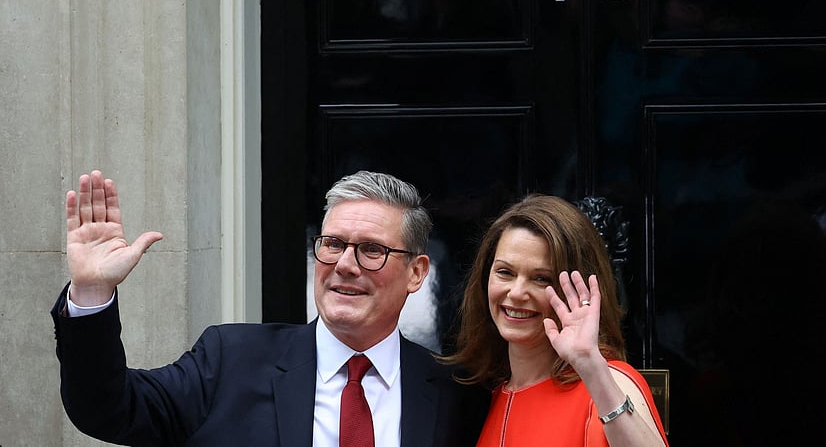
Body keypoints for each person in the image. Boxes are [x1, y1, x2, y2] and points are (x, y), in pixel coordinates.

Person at [52, 169, 488, 446]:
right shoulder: (231, 360)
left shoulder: (456, 393)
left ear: (416, 272)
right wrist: (92, 293)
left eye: (371, 249)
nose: (345, 265)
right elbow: (109, 409)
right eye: (333, 244)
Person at [443, 194, 668, 446]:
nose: (516, 293)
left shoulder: (608, 381)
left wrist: (592, 368)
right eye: (505, 272)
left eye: (541, 279)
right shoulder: (481, 399)